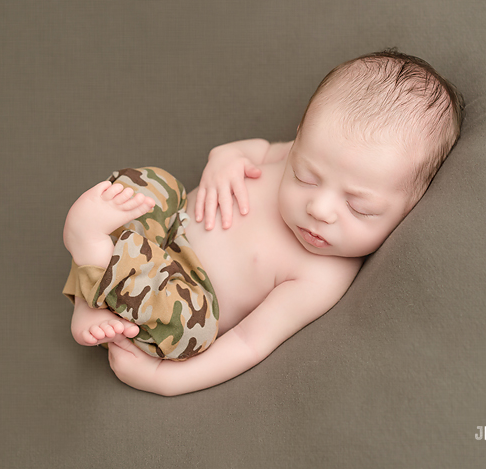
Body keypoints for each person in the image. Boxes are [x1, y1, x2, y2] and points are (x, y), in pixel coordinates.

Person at [62, 49, 464, 396]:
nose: (320, 208)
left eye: (360, 208)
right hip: (172, 223)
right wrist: (225, 161)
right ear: (300, 136)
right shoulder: (296, 151)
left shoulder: (323, 276)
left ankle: (93, 253)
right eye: (306, 176)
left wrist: (164, 379)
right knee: (157, 185)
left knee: (192, 330)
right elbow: (249, 149)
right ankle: (89, 301)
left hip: (176, 297)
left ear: (411, 208)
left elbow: (249, 342)